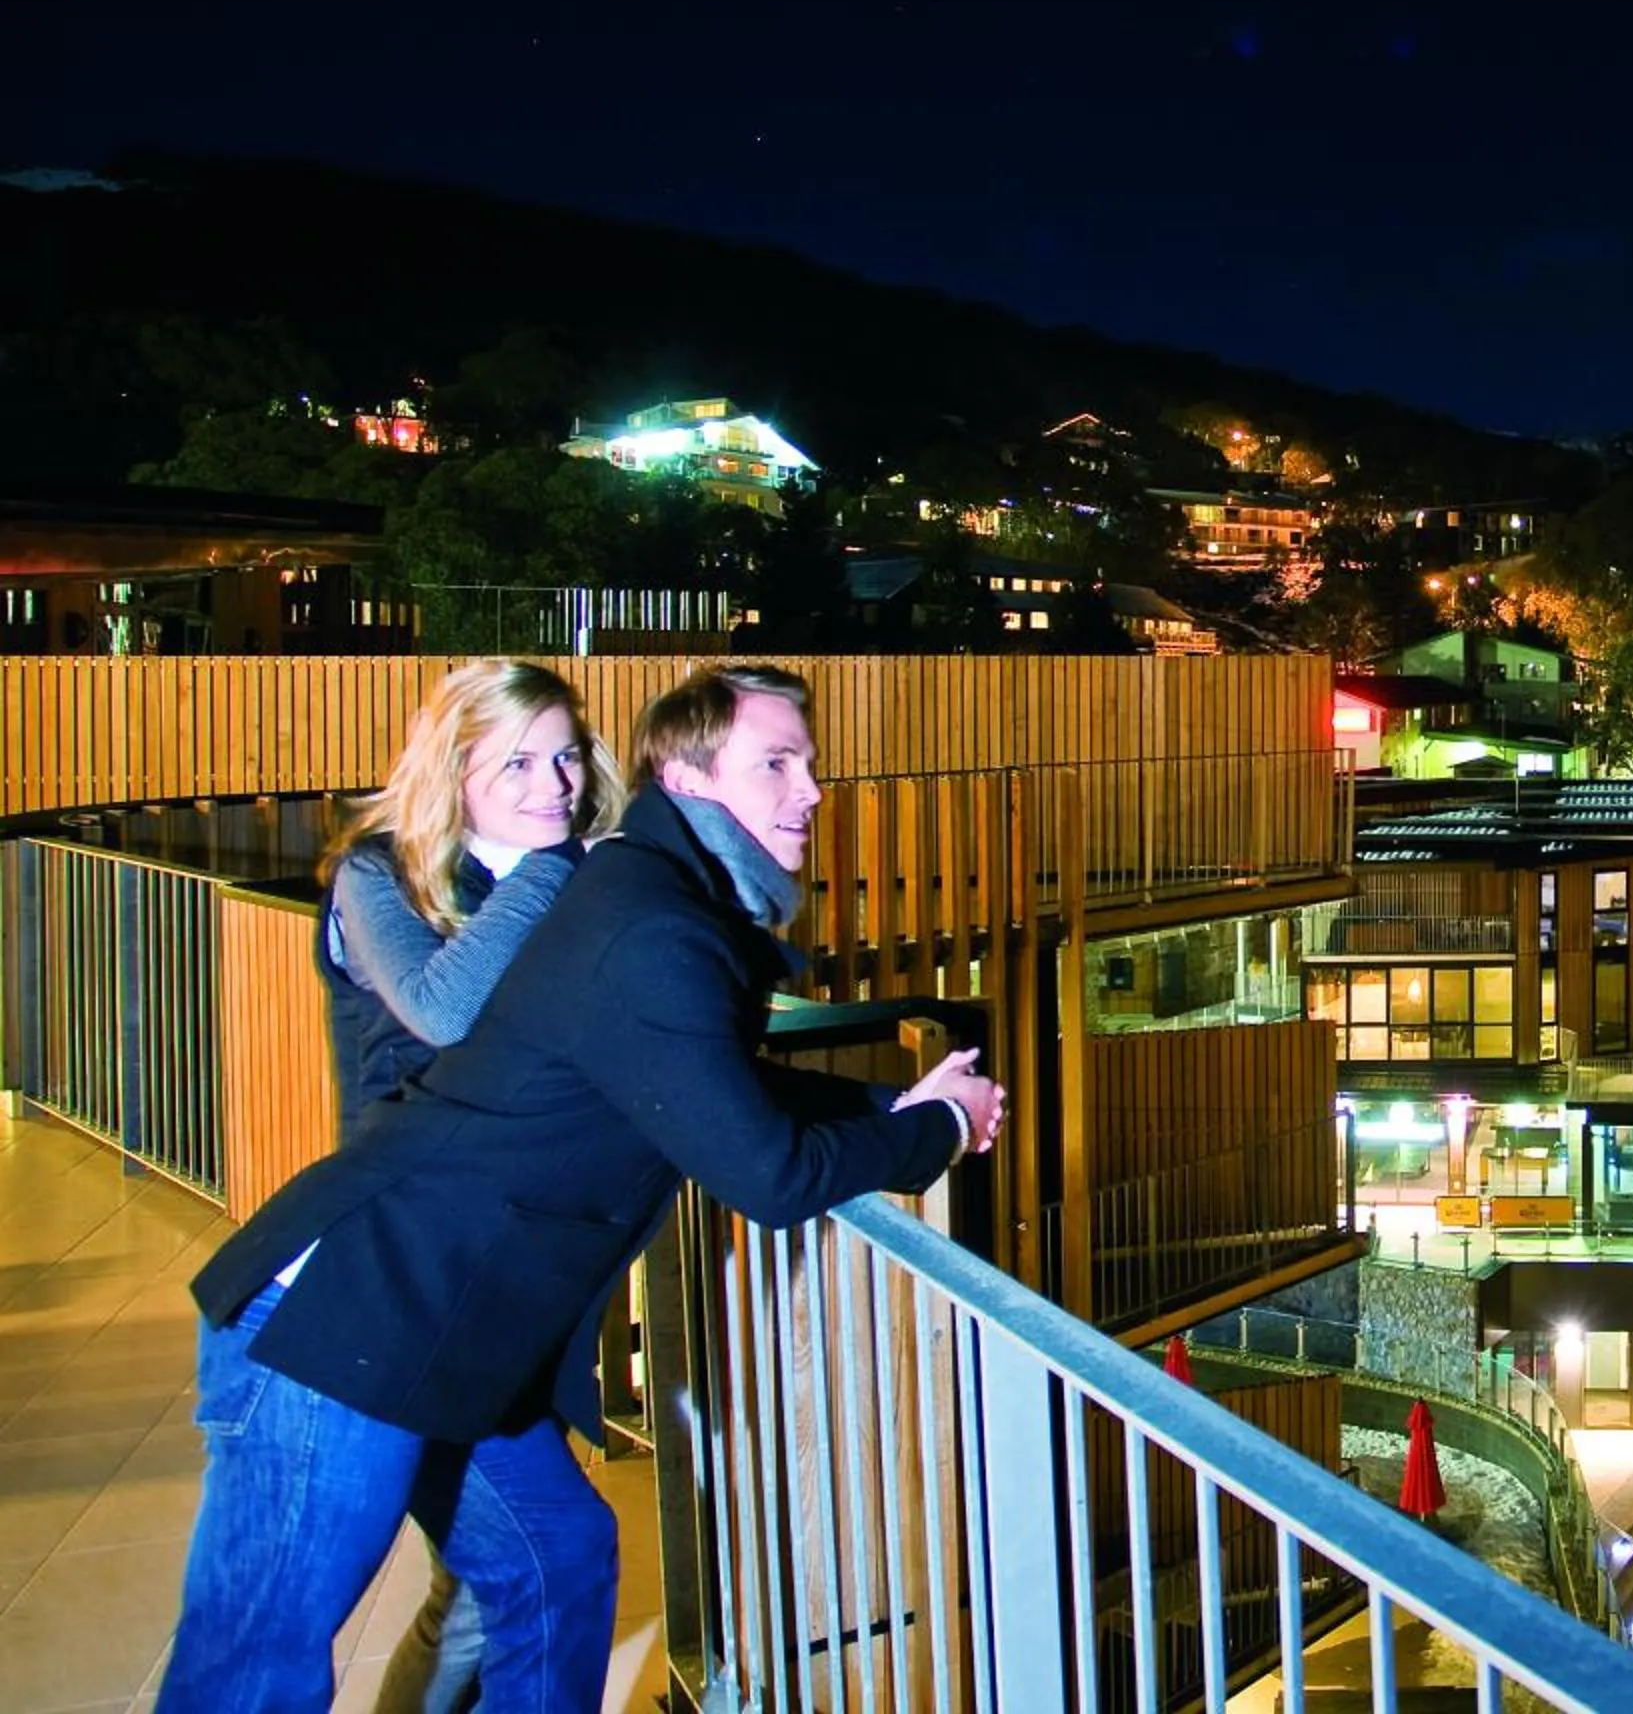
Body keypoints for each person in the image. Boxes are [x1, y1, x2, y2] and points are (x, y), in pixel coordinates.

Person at [161, 665, 1003, 1713]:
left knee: (556, 1556)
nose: (813, 789)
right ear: (688, 780)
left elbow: (686, 1076)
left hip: (443, 1313)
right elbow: (769, 1175)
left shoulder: (646, 898)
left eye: (810, 762)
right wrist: (935, 1128)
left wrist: (892, 1107)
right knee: (256, 1668)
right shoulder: (637, 916)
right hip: (347, 1314)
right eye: (778, 763)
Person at [317, 661, 624, 1714]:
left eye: (567, 757)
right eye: (519, 763)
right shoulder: (375, 877)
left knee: (483, 1586)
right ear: (452, 771)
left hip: (517, 1275)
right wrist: (563, 865)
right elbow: (441, 1009)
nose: (556, 785)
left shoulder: (574, 877)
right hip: (409, 1278)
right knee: (527, 1564)